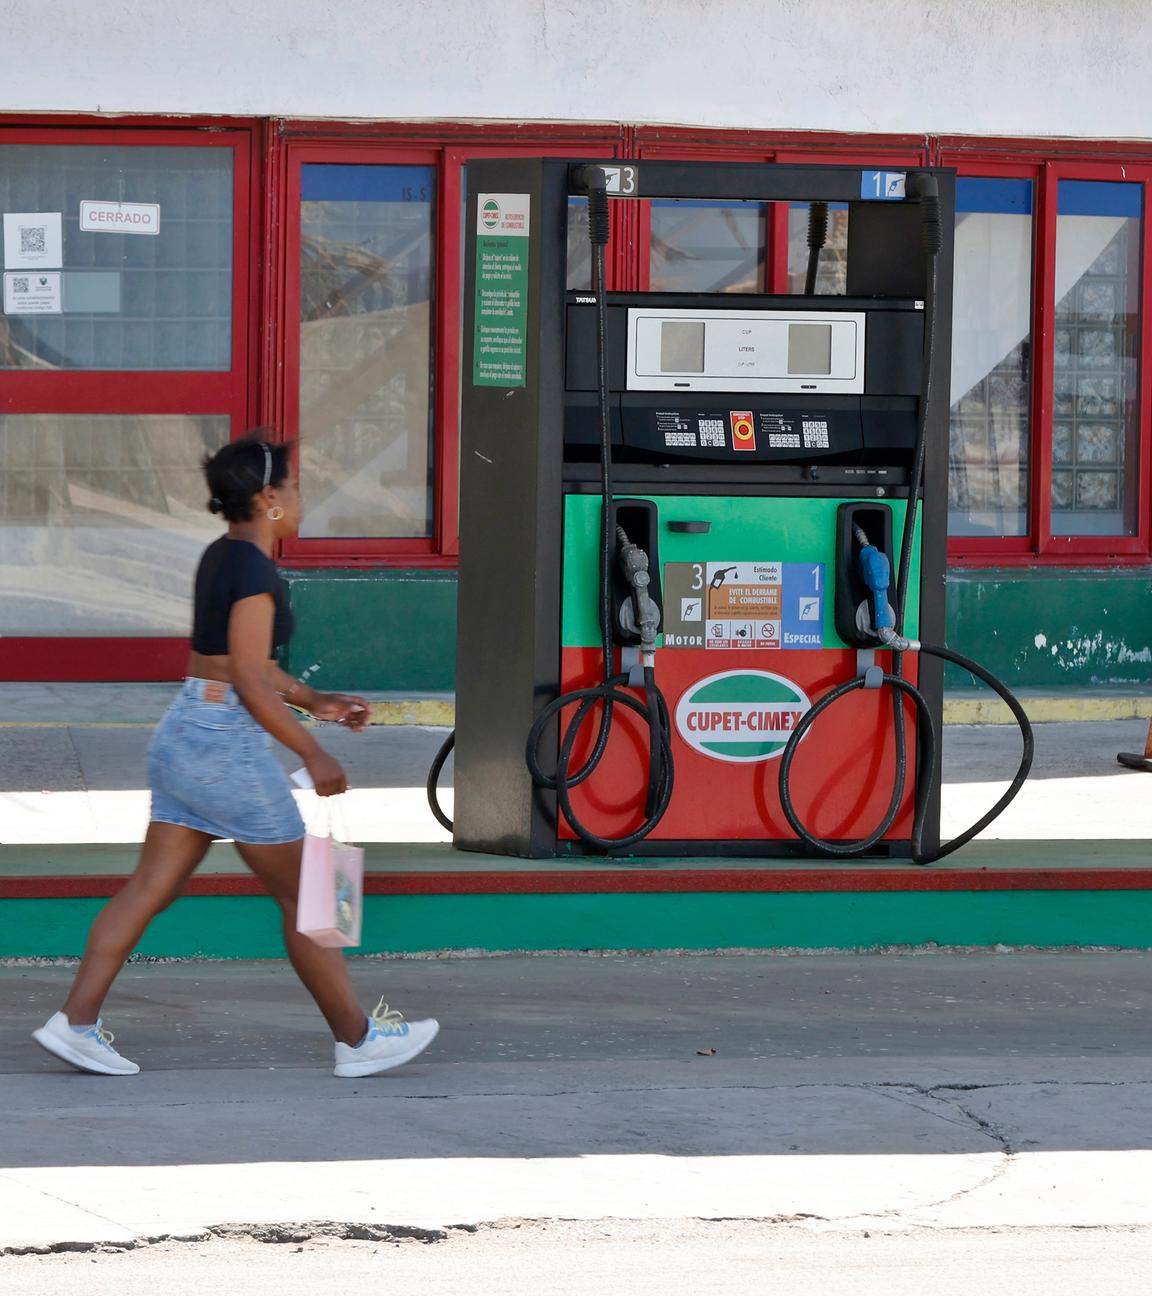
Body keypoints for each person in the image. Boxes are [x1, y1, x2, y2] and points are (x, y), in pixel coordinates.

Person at [32, 432, 438, 1078]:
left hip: (186, 733)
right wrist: (315, 753)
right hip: (223, 743)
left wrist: (316, 700)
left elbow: (243, 665)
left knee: (148, 888)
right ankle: (360, 1040)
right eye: (297, 489)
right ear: (269, 498)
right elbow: (249, 678)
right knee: (317, 891)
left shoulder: (222, 557)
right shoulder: (255, 570)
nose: (303, 500)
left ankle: (75, 1024)